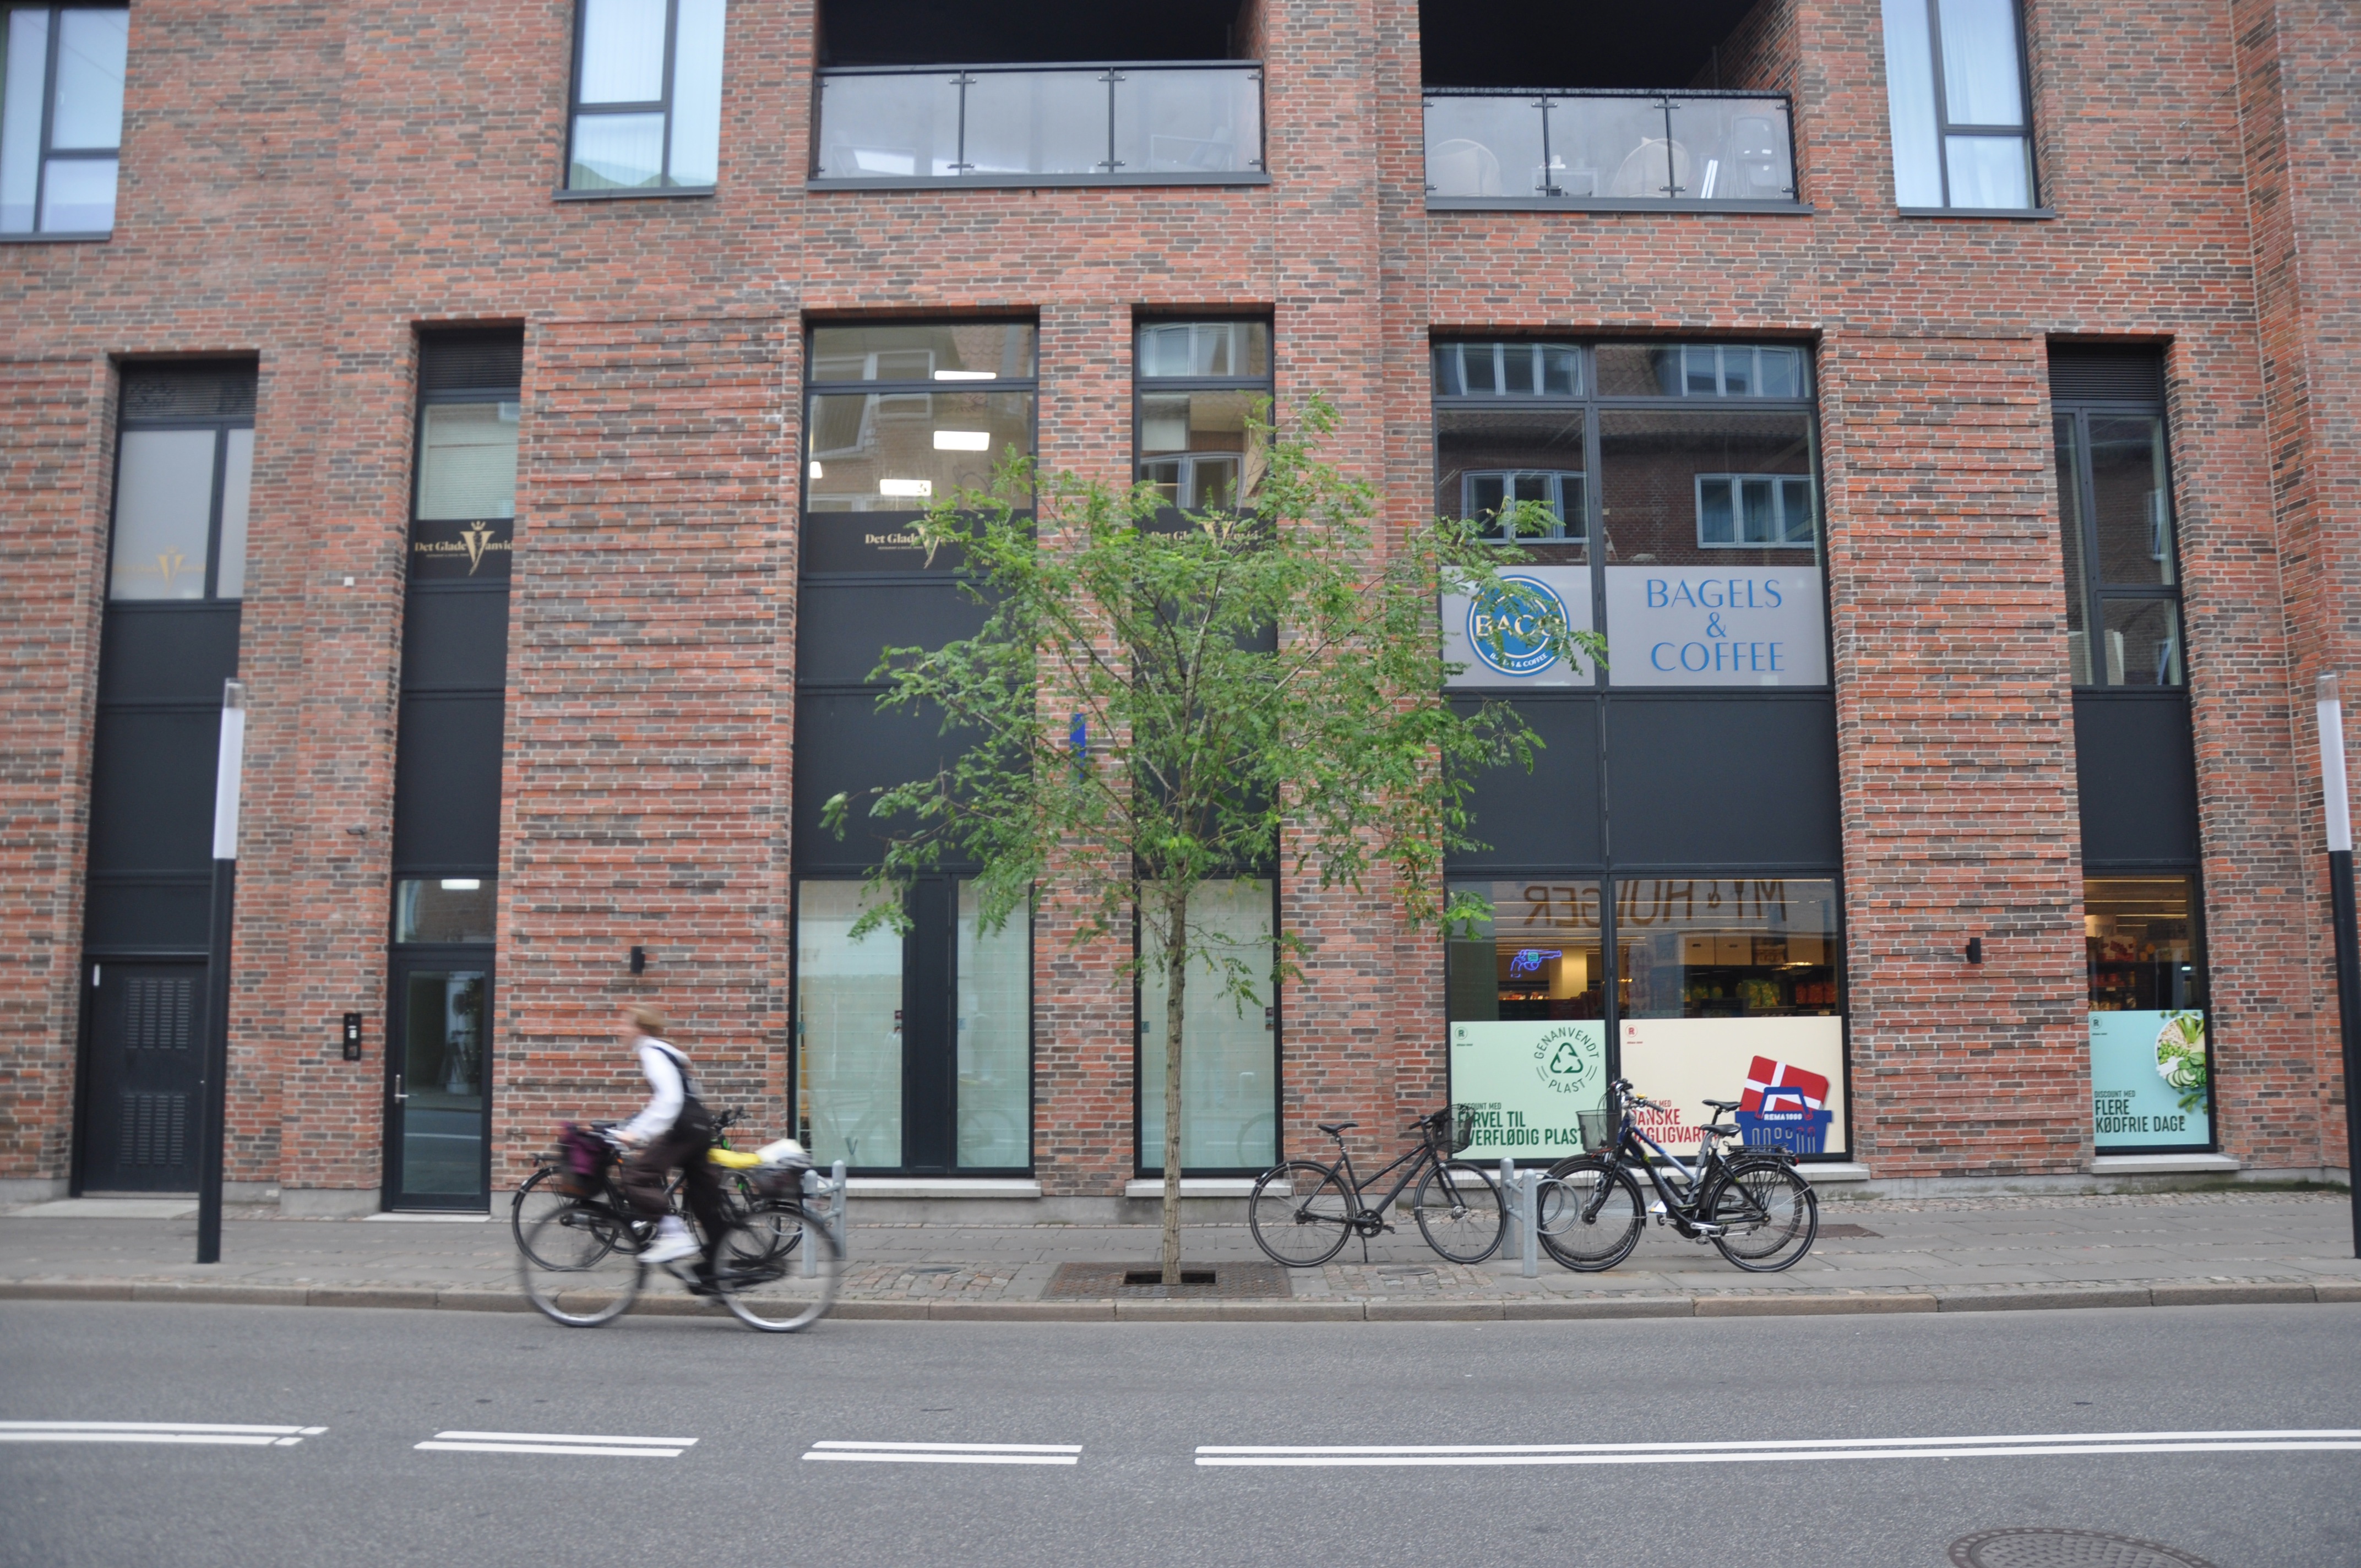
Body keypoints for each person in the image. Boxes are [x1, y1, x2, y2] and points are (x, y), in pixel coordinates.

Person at [613, 1006, 725, 1273]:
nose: (620, 1029)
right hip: (698, 1124)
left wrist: (637, 1133)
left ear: (640, 1029)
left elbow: (670, 1099)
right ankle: (718, 1268)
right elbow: (691, 1091)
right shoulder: (669, 1051)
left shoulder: (651, 1052)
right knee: (704, 1198)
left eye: (625, 1024)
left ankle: (674, 1235)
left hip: (684, 1126)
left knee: (636, 1178)